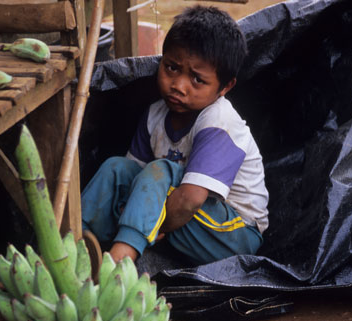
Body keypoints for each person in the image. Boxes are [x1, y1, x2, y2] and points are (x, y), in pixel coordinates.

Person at [81, 5, 269, 265]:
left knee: (162, 170)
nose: (179, 86)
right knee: (116, 168)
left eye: (197, 80)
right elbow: (134, 178)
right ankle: (76, 245)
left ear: (225, 87)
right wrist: (136, 211)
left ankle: (118, 262)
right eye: (171, 68)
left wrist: (149, 226)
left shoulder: (219, 122)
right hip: (183, 219)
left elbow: (190, 200)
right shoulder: (155, 115)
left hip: (232, 233)